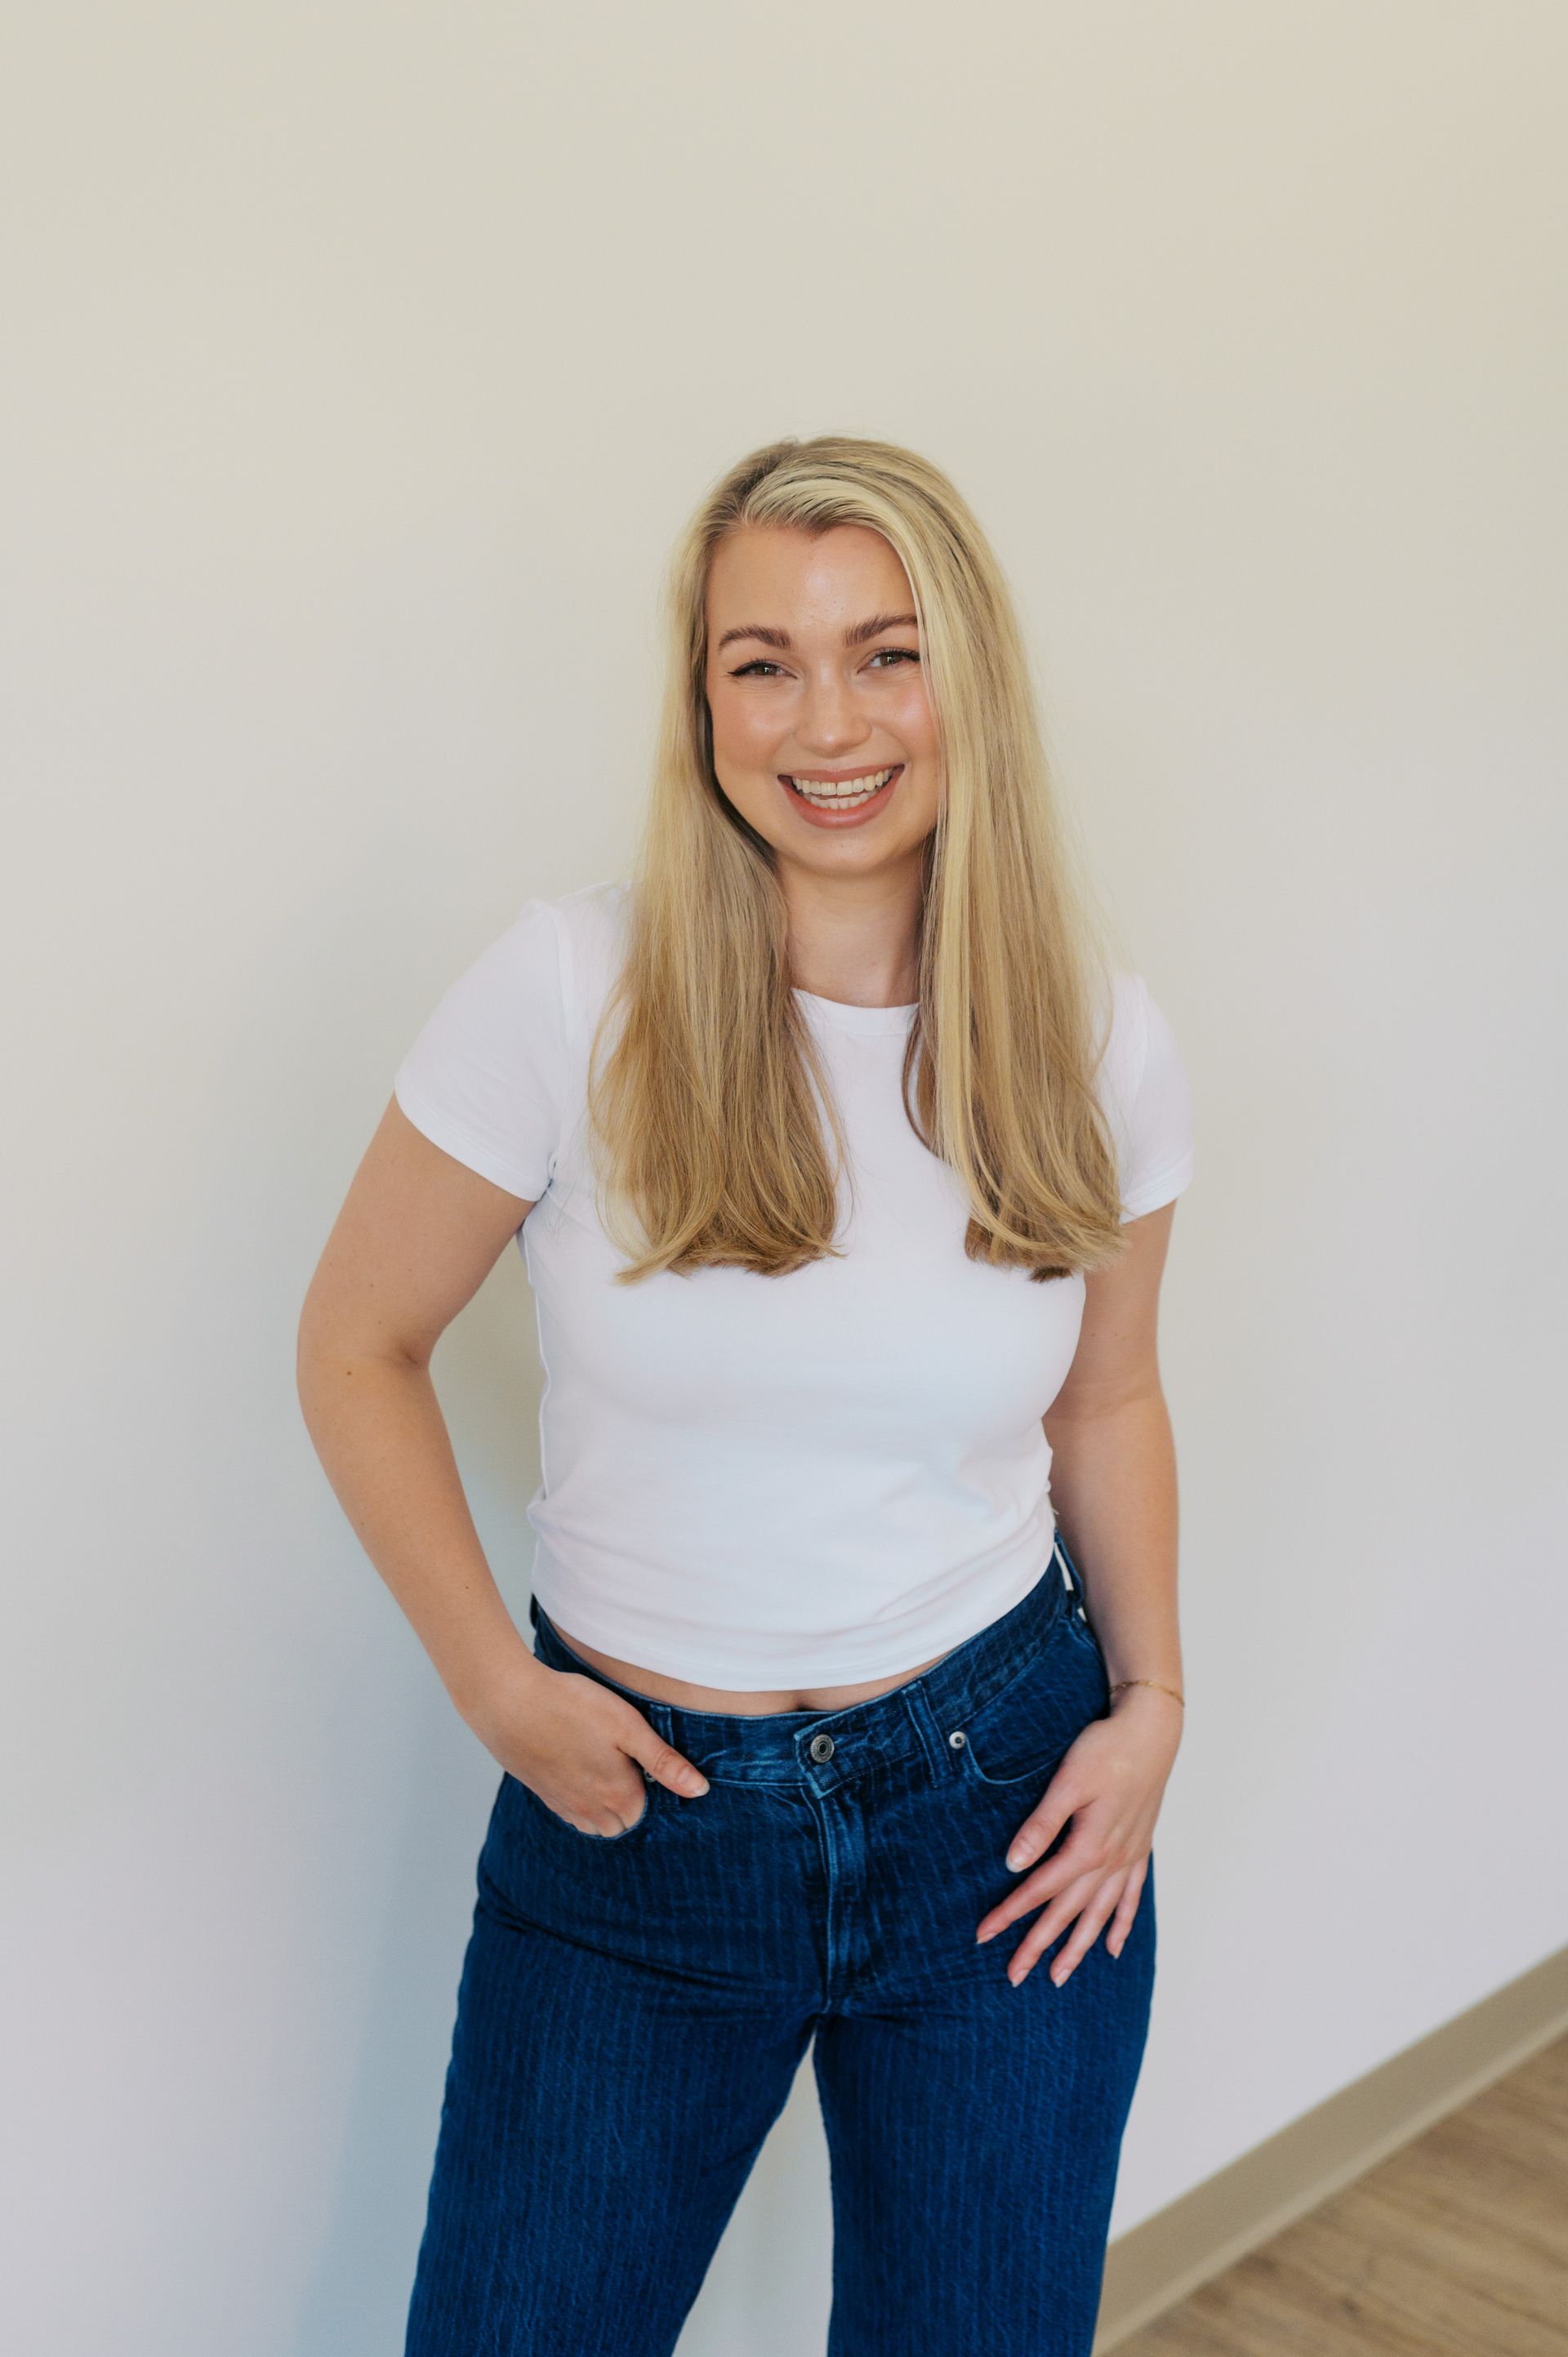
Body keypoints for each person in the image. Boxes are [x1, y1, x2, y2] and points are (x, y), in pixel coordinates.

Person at [296, 433, 1196, 2357]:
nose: (826, 721)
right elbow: (354, 1345)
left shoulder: (1096, 1037)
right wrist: (495, 1687)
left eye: (885, 652)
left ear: (970, 678)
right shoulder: (569, 992)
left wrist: (1154, 1707)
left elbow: (1107, 1403)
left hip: (1002, 1814)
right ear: (700, 700)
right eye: (759, 662)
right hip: (634, 1821)